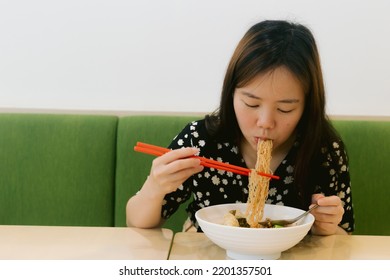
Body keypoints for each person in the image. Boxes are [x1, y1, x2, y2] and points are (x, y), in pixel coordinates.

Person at [126, 20, 354, 235]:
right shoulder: (201, 140)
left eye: (285, 109)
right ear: (231, 94)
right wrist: (154, 188)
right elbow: (137, 222)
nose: (265, 122)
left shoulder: (323, 149)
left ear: (307, 105)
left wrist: (328, 227)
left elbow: (345, 234)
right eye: (251, 103)